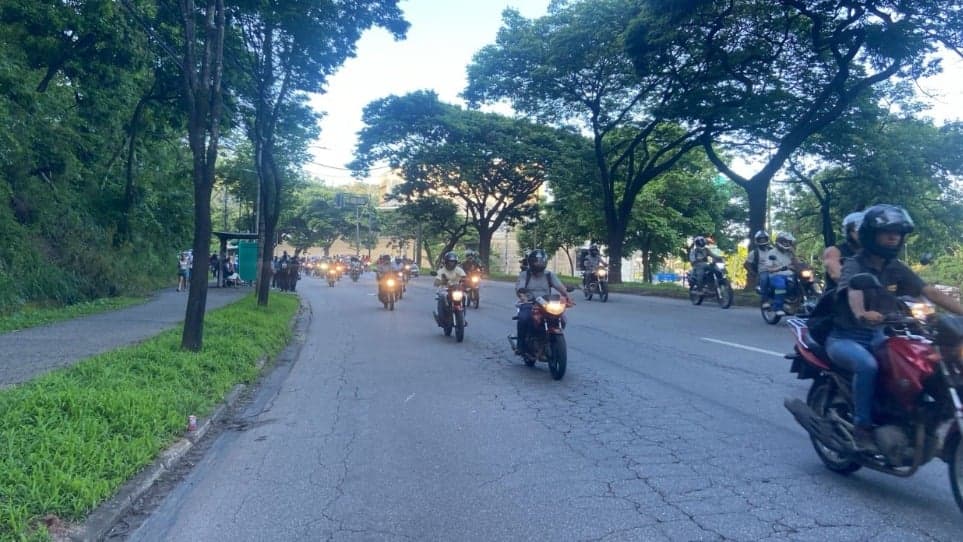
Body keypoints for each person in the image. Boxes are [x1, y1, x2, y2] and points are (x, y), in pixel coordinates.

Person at [826, 204, 963, 450]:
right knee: (867, 366)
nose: (894, 237)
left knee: (918, 360)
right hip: (847, 338)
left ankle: (905, 414)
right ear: (871, 234)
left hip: (879, 336)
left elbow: (927, 290)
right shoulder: (855, 264)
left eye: (898, 233)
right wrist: (862, 313)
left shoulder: (895, 267)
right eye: (887, 232)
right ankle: (862, 427)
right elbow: (854, 289)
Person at [514, 249, 573, 354]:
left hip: (546, 303)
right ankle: (521, 345)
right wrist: (523, 297)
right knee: (524, 318)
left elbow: (559, 286)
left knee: (561, 318)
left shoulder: (549, 275)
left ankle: (551, 340)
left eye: (541, 261)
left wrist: (567, 296)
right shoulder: (525, 275)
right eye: (537, 261)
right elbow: (520, 288)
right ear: (531, 262)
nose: (539, 264)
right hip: (530, 303)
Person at [822, 211, 864, 292]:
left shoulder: (873, 254)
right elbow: (837, 276)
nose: (863, 234)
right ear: (849, 232)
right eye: (858, 231)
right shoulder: (834, 251)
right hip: (838, 299)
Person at [764, 232, 799, 316]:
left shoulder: (789, 253)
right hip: (776, 275)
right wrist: (780, 268)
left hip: (790, 275)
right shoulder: (772, 253)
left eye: (788, 242)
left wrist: (794, 254)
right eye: (785, 242)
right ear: (779, 241)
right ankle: (777, 307)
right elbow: (768, 268)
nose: (787, 244)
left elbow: (797, 263)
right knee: (781, 286)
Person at [433, 251, 467, 320]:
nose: (451, 263)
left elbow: (464, 277)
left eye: (453, 262)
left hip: (456, 288)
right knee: (442, 297)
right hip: (445, 289)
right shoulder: (441, 271)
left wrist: (466, 281)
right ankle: (441, 317)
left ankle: (463, 313)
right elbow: (436, 281)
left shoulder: (459, 270)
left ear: (456, 262)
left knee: (464, 296)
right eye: (450, 262)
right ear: (446, 262)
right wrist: (440, 281)